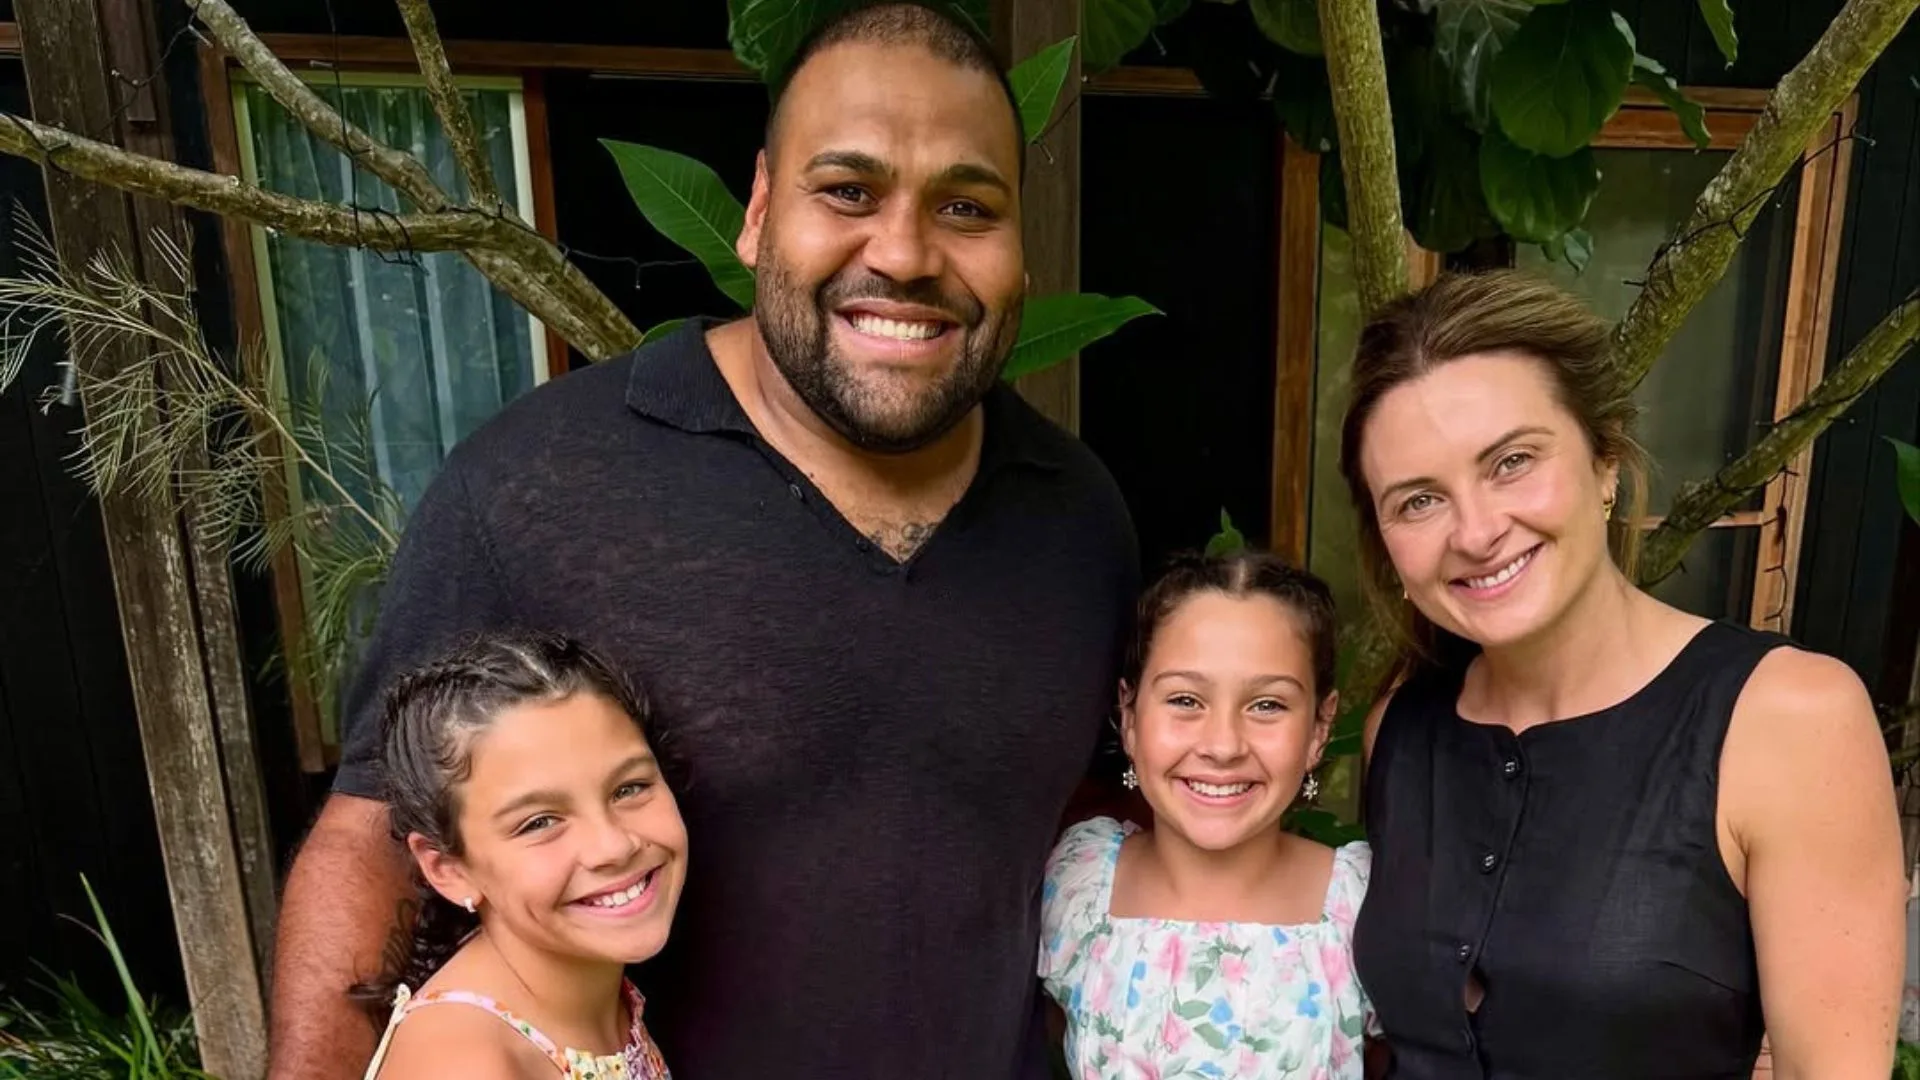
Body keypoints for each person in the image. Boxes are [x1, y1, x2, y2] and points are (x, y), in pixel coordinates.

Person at [265, 5, 1139, 1078]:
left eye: (967, 205)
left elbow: (1094, 817)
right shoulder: (543, 483)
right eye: (848, 192)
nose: (906, 253)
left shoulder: (1077, 516)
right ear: (760, 211)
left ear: (1019, 248)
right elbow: (374, 839)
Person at [1341, 270, 1906, 1077]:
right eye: (1418, 500)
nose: (1475, 530)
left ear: (1605, 460)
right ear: (1387, 544)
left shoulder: (1786, 719)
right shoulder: (1399, 728)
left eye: (1511, 461)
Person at [1040, 549, 1378, 1078]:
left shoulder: (1361, 908)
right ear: (1128, 716)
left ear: (1319, 728)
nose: (1223, 745)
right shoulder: (1079, 887)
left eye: (1267, 705)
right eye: (1185, 700)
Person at [356, 632, 682, 1079]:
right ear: (447, 869)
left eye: (629, 788)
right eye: (540, 822)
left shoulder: (598, 993)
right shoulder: (465, 1065)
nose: (614, 845)